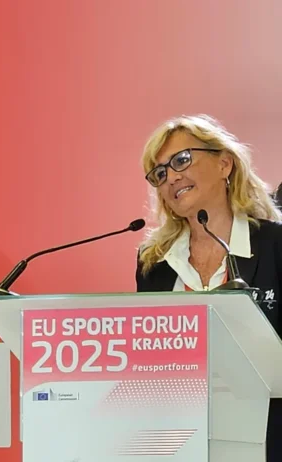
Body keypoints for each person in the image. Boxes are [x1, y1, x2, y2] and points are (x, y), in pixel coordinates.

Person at [134, 114, 282, 461]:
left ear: (224, 164)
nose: (171, 177)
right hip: (181, 439)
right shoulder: (154, 263)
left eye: (181, 160)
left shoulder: (275, 244)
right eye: (159, 173)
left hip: (267, 438)